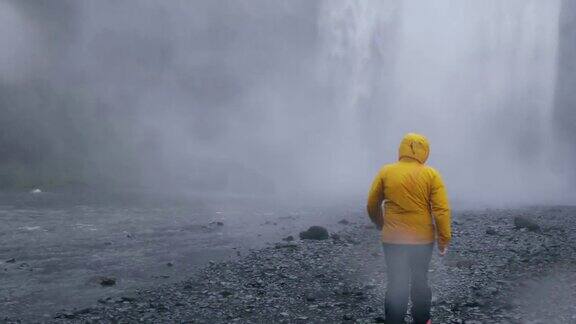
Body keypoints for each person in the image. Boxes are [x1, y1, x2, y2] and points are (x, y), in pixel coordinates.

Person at [366, 133, 451, 324]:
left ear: (402, 149)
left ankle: (394, 320)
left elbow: (372, 203)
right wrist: (443, 240)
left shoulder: (386, 172)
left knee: (396, 281)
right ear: (425, 152)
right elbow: (441, 211)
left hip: (393, 239)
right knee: (420, 279)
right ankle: (422, 320)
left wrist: (381, 223)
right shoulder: (431, 174)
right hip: (422, 240)